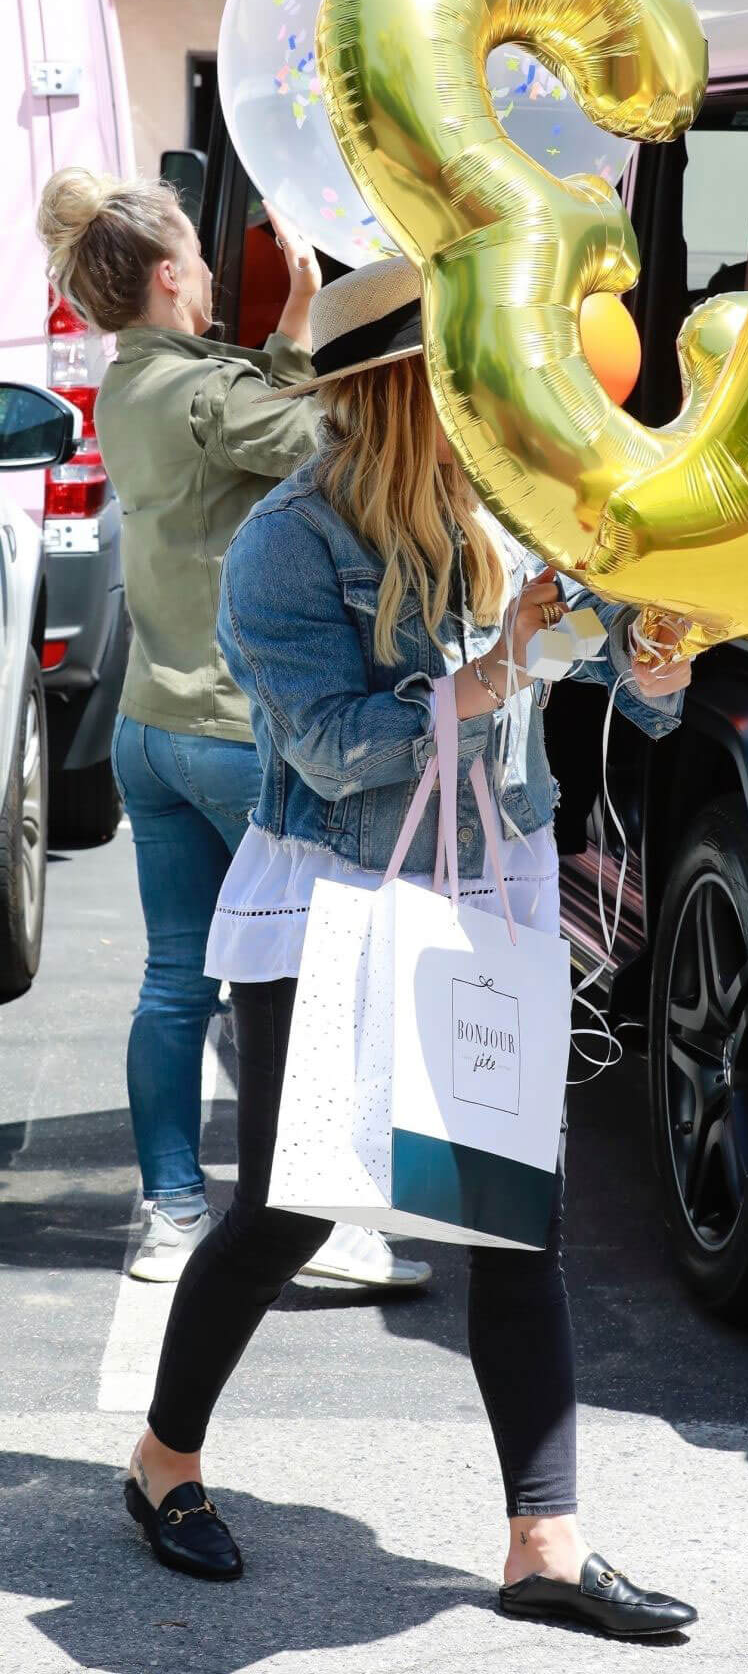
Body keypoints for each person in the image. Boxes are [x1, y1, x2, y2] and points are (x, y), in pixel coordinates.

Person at [123, 258, 701, 1640]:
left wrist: (661, 664)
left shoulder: (522, 507)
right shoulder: (289, 540)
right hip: (336, 891)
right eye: (472, 382)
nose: (506, 403)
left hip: (489, 882)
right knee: (285, 1210)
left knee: (519, 1225)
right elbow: (327, 754)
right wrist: (488, 675)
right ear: (404, 395)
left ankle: (542, 1547)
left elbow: (635, 680)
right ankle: (163, 1463)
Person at [36, 171, 430, 1298]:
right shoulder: (205, 393)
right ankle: (322, 1222)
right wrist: (333, 331)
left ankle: (171, 1214)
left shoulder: (131, 383)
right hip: (236, 730)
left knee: (176, 984)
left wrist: (294, 325)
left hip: (151, 727)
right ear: (169, 275)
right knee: (308, 982)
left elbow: (245, 408)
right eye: (202, 263)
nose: (216, 275)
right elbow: (321, 430)